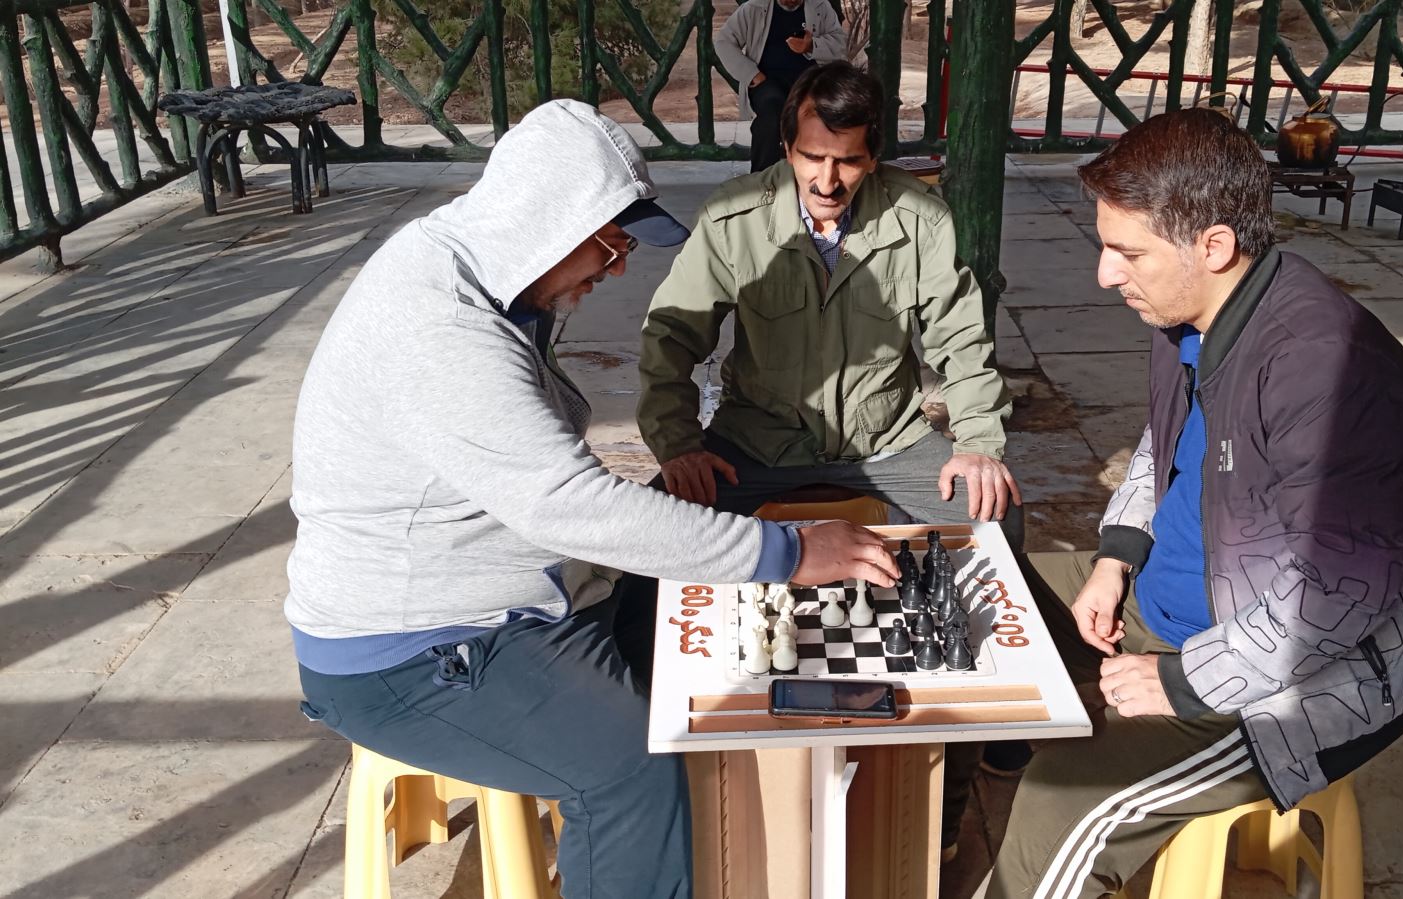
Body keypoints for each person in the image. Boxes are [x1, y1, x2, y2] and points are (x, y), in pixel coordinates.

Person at [284, 100, 898, 899]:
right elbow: (570, 505)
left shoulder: (483, 268)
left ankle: (728, 848)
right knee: (628, 768)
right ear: (547, 223)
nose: (615, 269)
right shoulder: (440, 329)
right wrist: (791, 551)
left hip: (496, 593)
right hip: (413, 648)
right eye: (610, 244)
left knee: (688, 603)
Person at [985, 109, 1403, 899]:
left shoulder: (1334, 376)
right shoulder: (1188, 314)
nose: (1104, 274)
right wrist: (1114, 559)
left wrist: (1180, 683)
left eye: (1127, 252)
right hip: (1169, 610)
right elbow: (1160, 445)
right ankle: (974, 781)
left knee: (1062, 808)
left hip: (1295, 685)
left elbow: (1334, 601)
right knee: (983, 597)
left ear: (1213, 246)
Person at [637, 61, 1023, 547]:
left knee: (998, 515)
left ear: (874, 157)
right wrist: (678, 445)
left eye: (848, 161)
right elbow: (671, 335)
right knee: (655, 531)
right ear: (787, 147)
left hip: (889, 441)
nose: (826, 181)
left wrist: (978, 444)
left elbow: (961, 340)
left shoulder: (921, 219)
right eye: (812, 157)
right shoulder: (731, 218)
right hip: (757, 441)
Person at [713, 0, 847, 171]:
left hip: (810, 82)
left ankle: (820, 175)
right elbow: (723, 42)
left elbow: (839, 44)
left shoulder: (820, 6)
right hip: (767, 81)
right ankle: (762, 178)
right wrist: (752, 74)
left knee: (821, 114)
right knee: (770, 114)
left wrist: (811, 45)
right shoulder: (755, 7)